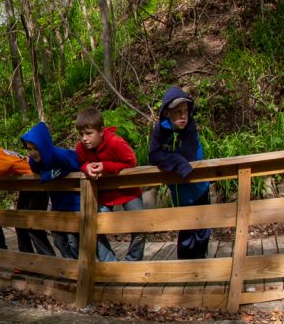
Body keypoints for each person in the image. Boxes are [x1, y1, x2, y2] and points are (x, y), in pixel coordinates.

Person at [21, 122, 117, 261]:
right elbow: (38, 173)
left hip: (76, 202)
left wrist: (54, 174)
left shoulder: (61, 155)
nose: (33, 152)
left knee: (86, 238)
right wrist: (46, 175)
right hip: (58, 204)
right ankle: (73, 268)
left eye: (36, 148)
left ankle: (110, 264)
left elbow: (81, 165)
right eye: (29, 149)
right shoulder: (34, 161)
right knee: (59, 239)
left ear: (43, 146)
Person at [148, 87, 212, 259]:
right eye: (178, 112)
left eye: (185, 111)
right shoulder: (161, 130)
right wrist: (176, 161)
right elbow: (153, 155)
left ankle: (201, 266)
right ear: (168, 113)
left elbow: (189, 155)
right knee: (186, 231)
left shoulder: (190, 127)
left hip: (199, 187)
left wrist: (170, 158)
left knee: (202, 230)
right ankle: (185, 269)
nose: (183, 116)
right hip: (180, 191)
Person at [75, 107, 146, 261]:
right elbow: (79, 163)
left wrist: (105, 167)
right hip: (104, 194)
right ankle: (111, 264)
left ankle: (132, 262)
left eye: (89, 133)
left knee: (141, 225)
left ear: (101, 131)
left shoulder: (115, 142)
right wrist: (85, 167)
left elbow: (131, 162)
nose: (84, 138)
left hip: (128, 191)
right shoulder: (80, 148)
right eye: (81, 134)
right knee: (93, 227)